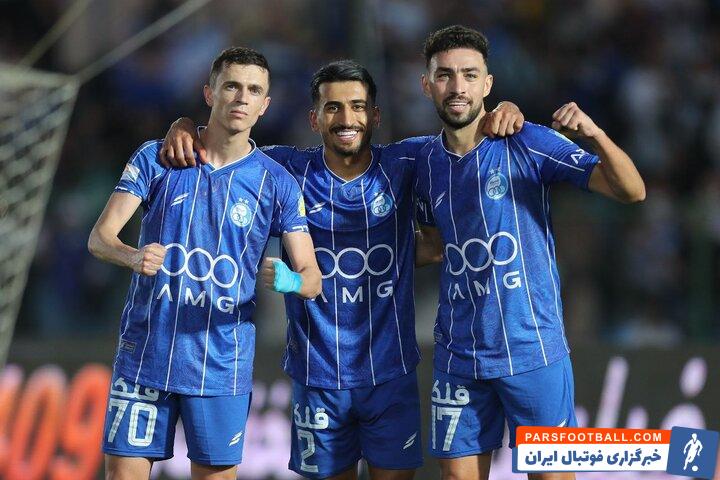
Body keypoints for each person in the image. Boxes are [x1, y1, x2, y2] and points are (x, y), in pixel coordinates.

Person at [160, 60, 523, 479]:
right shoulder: (285, 170)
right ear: (314, 119)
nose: (346, 119)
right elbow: (225, 147)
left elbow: (463, 136)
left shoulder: (405, 162)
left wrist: (506, 109)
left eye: (358, 106)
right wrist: (185, 126)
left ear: (375, 116)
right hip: (317, 375)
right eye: (333, 108)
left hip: (390, 372)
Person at [414, 25, 646, 480]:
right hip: (458, 356)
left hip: (531, 350)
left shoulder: (527, 141)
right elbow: (435, 246)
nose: (457, 86)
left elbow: (632, 190)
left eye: (469, 75)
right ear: (427, 85)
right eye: (445, 75)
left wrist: (594, 134)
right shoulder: (421, 162)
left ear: (487, 83)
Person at [88, 46, 321, 480]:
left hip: (220, 367)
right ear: (210, 93)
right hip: (145, 356)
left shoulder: (278, 183)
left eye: (254, 90)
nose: (242, 97)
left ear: (265, 105)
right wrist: (132, 255)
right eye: (231, 86)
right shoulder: (158, 157)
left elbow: (312, 279)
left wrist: (289, 279)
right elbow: (100, 238)